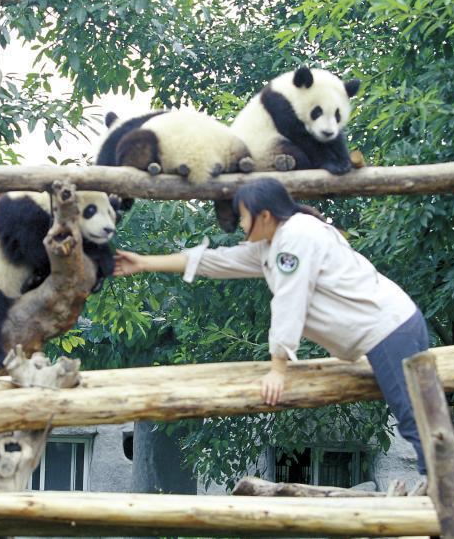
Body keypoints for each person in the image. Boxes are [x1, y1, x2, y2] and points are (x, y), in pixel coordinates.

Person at [113, 178, 429, 475]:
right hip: (389, 329)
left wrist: (278, 369)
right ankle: (439, 487)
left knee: (414, 420)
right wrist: (143, 263)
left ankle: (441, 493)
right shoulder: (272, 244)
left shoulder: (296, 237)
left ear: (264, 215)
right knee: (419, 416)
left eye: (243, 216)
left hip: (389, 330)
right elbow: (214, 261)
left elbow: (290, 301)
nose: (239, 224)